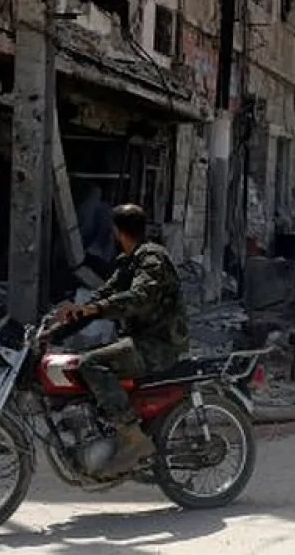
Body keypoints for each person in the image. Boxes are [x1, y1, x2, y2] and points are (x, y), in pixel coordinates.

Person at [53, 203, 189, 477]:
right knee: (83, 359)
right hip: (140, 341)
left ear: (116, 232)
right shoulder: (129, 261)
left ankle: (131, 437)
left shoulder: (152, 260)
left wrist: (94, 309)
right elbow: (101, 299)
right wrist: (54, 330)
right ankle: (104, 426)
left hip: (158, 346)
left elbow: (138, 299)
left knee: (90, 363)